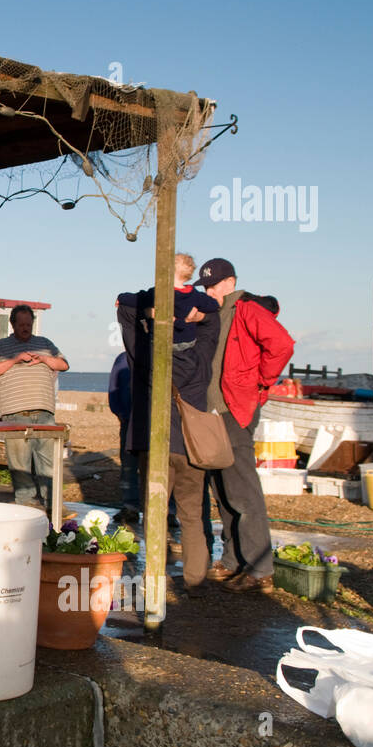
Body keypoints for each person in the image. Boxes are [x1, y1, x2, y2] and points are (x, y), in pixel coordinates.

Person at [116, 254, 220, 593]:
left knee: (155, 514)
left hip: (156, 443)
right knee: (191, 515)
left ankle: (155, 579)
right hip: (192, 447)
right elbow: (212, 321)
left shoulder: (148, 357)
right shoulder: (201, 357)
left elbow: (125, 306)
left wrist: (152, 312)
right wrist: (195, 316)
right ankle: (195, 580)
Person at [195, 258, 295, 593]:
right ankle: (233, 560)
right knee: (222, 489)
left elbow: (282, 345)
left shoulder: (247, 308)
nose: (210, 291)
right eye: (206, 287)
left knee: (243, 491)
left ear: (231, 282)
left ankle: (259, 570)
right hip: (213, 413)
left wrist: (261, 383)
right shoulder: (213, 313)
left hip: (235, 411)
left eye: (214, 285)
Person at [0, 305, 69, 509]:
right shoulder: (1, 346)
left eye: (28, 324)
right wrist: (15, 360)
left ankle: (52, 505)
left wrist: (46, 359)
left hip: (44, 412)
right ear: (12, 324)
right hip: (15, 414)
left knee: (48, 463)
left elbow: (64, 365)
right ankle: (27, 504)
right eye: (21, 324)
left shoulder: (45, 343)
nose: (25, 328)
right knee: (19, 464)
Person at [108, 350, 139, 519]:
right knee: (128, 466)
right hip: (128, 421)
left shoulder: (158, 354)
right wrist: (120, 413)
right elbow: (114, 387)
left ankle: (168, 511)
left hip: (153, 423)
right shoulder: (122, 358)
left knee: (160, 468)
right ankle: (130, 507)